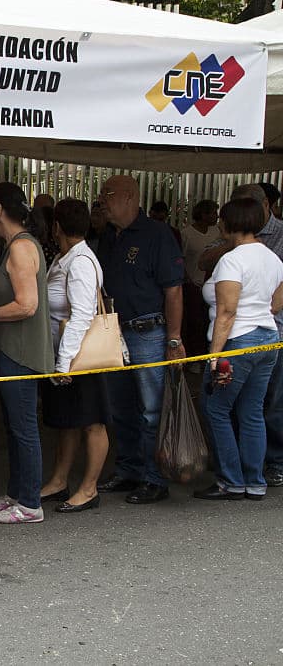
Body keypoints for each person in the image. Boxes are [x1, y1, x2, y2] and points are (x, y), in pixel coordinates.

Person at [95, 175, 185, 505]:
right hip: (113, 332)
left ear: (131, 197)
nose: (102, 200)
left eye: (108, 194)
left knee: (151, 410)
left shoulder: (157, 235)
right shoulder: (107, 235)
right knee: (120, 407)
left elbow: (173, 290)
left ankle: (153, 477)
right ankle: (128, 469)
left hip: (148, 331)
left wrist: (174, 339)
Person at [197, 197, 283, 500]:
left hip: (238, 341)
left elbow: (227, 312)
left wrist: (214, 357)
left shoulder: (232, 260)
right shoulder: (272, 258)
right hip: (268, 338)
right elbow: (276, 302)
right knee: (252, 412)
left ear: (229, 223)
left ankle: (231, 481)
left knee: (217, 409)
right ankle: (255, 481)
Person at [0, 182, 54, 524]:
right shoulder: (13, 245)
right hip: (8, 347)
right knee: (13, 426)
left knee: (23, 427)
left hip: (21, 352)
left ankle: (30, 503)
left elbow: (27, 305)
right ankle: (17, 492)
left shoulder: (22, 248)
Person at [38, 198, 111, 513]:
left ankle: (89, 488)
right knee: (67, 420)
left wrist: (64, 361)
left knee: (92, 422)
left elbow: (82, 315)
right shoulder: (65, 257)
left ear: (57, 227)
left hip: (81, 356)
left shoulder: (80, 261)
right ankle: (59, 480)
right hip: (64, 354)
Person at [180, 200, 220, 364]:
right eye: (213, 213)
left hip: (212, 285)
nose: (216, 217)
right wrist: (188, 279)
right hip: (193, 285)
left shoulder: (217, 232)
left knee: (208, 322)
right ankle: (193, 358)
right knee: (194, 323)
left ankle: (206, 356)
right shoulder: (187, 233)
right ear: (203, 214)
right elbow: (180, 259)